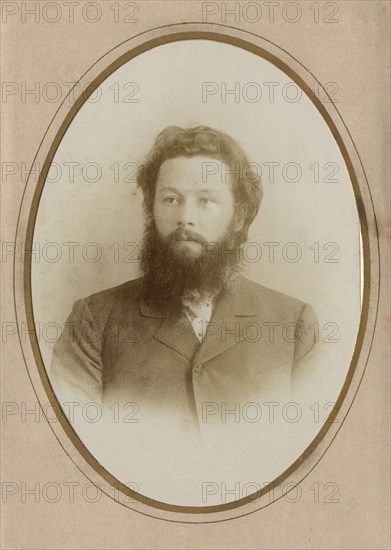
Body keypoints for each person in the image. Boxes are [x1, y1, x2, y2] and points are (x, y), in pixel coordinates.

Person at [50, 125, 318, 437]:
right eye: (170, 199)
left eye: (206, 200)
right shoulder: (94, 321)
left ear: (240, 215)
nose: (185, 217)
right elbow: (70, 449)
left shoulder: (296, 325)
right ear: (151, 209)